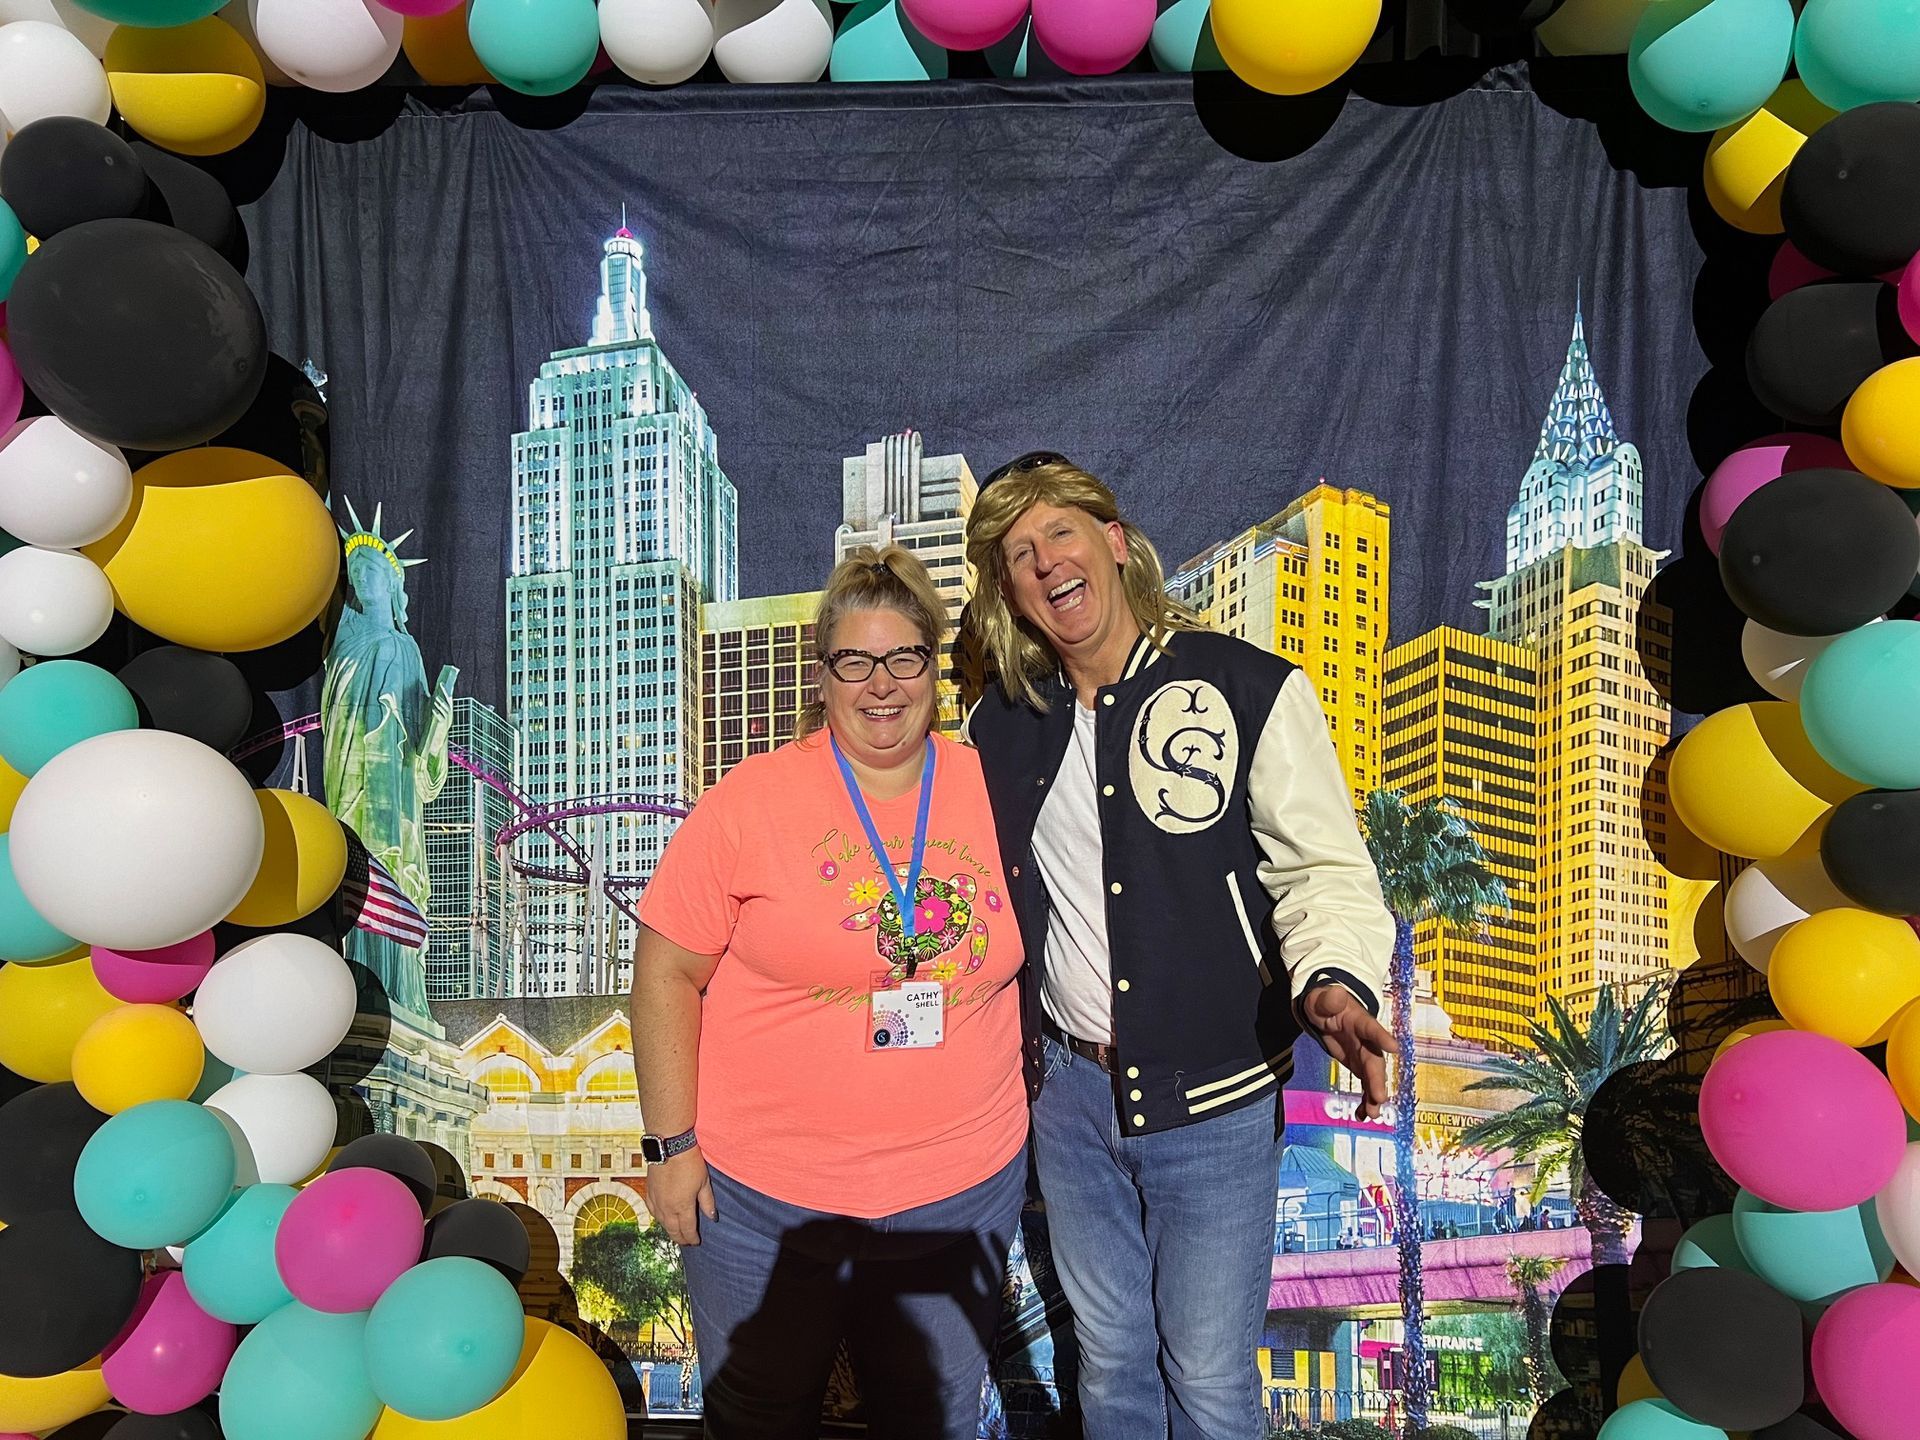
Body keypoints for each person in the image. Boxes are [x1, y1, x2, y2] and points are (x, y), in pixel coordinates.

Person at [961, 454, 1396, 1440]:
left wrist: (1332, 982)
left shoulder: (1247, 687)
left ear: (1115, 543)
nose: (1046, 561)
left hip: (1217, 1098)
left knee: (1205, 1375)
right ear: (1010, 594)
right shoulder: (1002, 728)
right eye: (1019, 553)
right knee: (1109, 1359)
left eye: (1061, 532)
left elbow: (1323, 869)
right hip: (1069, 1103)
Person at [628, 546, 1029, 1440]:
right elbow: (664, 973)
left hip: (958, 1188)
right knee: (759, 1422)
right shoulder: (750, 801)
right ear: (822, 676)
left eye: (904, 657)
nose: (881, 684)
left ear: (934, 667)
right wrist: (671, 1146)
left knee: (931, 1423)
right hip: (763, 1202)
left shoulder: (998, 787)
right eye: (855, 660)